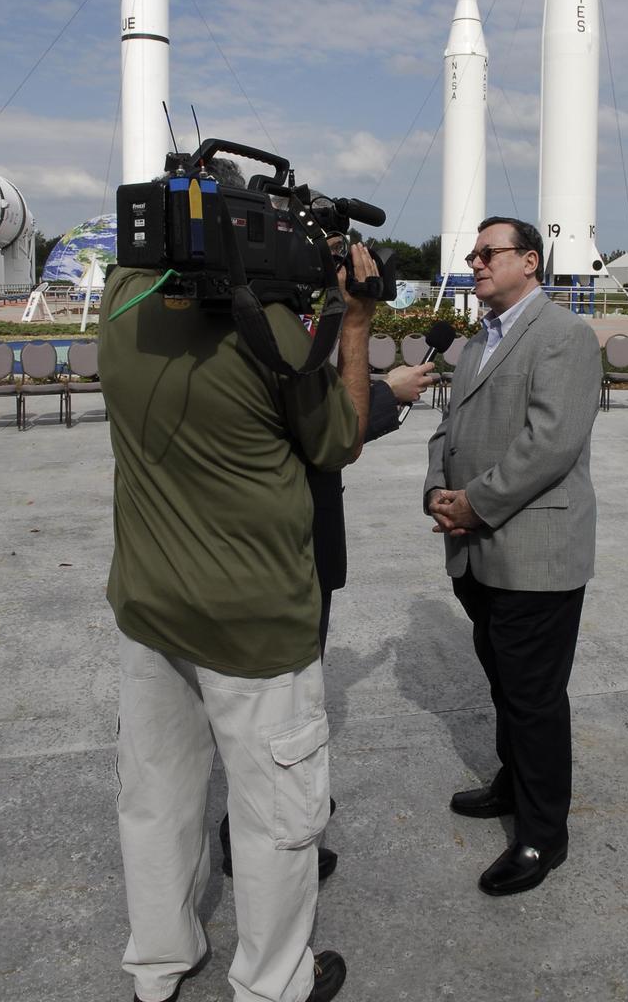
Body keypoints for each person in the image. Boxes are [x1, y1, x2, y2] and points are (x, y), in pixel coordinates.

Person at [100, 178, 380, 1002]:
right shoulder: (281, 342)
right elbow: (343, 439)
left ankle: (158, 964)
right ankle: (272, 983)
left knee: (155, 801)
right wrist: (353, 321)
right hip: (256, 626)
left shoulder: (122, 305)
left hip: (150, 611)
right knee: (275, 821)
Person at [424, 216, 601, 897]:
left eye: (486, 253)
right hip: (475, 546)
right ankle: (512, 782)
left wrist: (475, 502)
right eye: (472, 254)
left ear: (528, 261)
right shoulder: (478, 340)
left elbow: (550, 443)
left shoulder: (563, 335)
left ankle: (541, 836)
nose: (473, 263)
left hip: (534, 548)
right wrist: (436, 490)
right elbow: (448, 425)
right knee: (503, 682)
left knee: (532, 697)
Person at [219, 359, 435, 882]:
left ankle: (278, 816)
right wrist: (385, 393)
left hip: (285, 553)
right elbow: (307, 431)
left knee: (282, 703)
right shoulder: (253, 332)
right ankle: (267, 845)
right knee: (280, 709)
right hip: (286, 555)